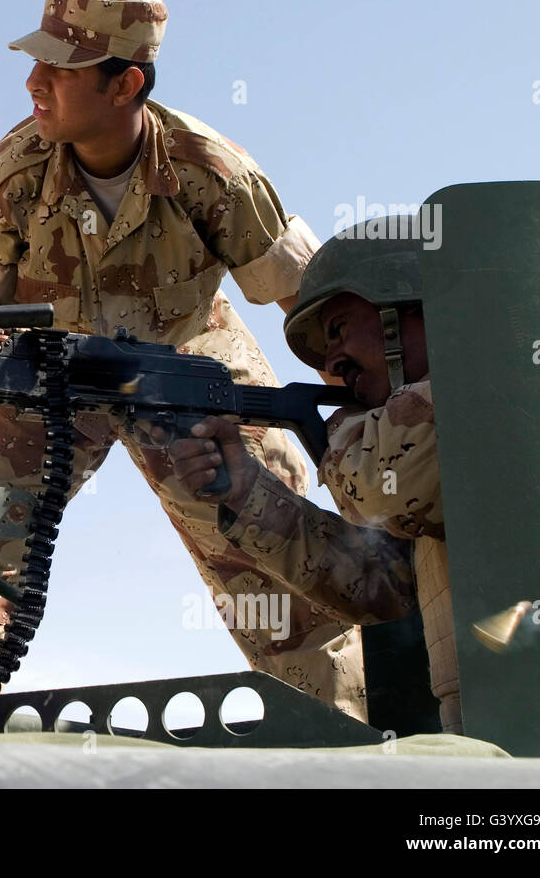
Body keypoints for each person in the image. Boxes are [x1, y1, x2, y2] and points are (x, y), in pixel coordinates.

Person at [0, 0, 370, 720]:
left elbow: (309, 302)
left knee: (271, 539)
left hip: (186, 356)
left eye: (61, 68)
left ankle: (352, 734)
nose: (33, 81)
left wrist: (369, 414)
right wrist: (16, 361)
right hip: (54, 368)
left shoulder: (212, 171)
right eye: (37, 61)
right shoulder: (14, 170)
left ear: (125, 83)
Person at [166, 226, 460, 732]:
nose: (333, 363)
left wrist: (338, 425)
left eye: (341, 327)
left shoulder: (484, 383)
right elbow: (380, 585)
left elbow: (379, 490)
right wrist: (245, 488)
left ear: (404, 304)